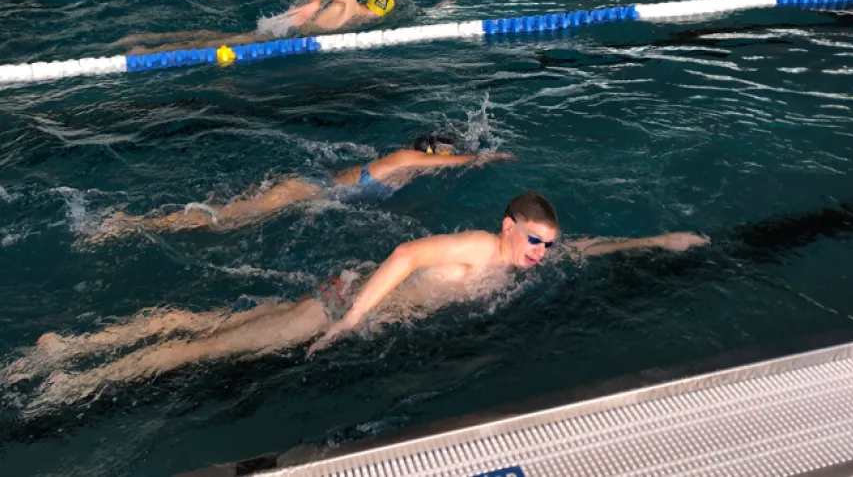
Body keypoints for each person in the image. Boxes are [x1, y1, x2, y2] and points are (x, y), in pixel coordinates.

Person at [6, 192, 709, 404]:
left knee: (211, 324)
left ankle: (74, 346)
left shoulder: (522, 260)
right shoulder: (473, 246)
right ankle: (83, 379)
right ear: (506, 227)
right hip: (337, 309)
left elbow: (585, 250)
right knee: (207, 345)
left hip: (341, 298)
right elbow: (404, 256)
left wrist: (657, 243)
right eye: (531, 242)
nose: (539, 256)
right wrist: (351, 325)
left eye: (546, 247)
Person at [94, 134, 514, 237]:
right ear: (429, 148)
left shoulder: (408, 169)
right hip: (305, 192)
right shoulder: (407, 159)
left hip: (311, 186)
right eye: (442, 149)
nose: (444, 156)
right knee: (223, 219)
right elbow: (461, 160)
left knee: (225, 213)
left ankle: (137, 222)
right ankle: (133, 225)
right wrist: (489, 156)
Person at [110, 0, 398, 54]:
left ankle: (148, 39)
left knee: (219, 39)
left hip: (292, 32)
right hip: (290, 32)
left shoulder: (356, 14)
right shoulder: (348, 2)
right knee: (224, 42)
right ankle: (146, 47)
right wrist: (313, 4)